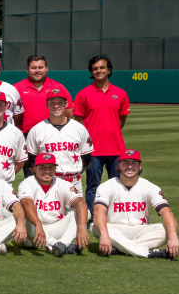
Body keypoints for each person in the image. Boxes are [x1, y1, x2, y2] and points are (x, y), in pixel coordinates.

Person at [93, 149, 179, 259]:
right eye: (125, 163)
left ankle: (121, 249)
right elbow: (98, 211)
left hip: (141, 231)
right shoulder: (106, 186)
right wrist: (105, 235)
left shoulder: (149, 187)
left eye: (134, 163)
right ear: (118, 166)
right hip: (115, 230)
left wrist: (173, 237)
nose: (129, 167)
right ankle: (147, 253)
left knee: (168, 229)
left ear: (140, 167)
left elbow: (166, 211)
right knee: (95, 227)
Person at [74, 54, 130, 215]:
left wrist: (110, 132)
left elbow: (121, 120)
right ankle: (92, 216)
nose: (99, 71)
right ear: (91, 71)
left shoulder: (120, 93)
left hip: (116, 149)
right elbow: (79, 123)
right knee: (93, 186)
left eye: (102, 67)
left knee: (118, 184)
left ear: (109, 70)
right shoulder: (83, 94)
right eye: (95, 68)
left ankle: (115, 214)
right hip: (93, 151)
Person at [17, 153, 90, 257]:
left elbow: (80, 203)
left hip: (56, 227)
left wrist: (82, 228)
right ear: (34, 169)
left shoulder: (62, 184)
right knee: (21, 214)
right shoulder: (27, 183)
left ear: (55, 169)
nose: (47, 171)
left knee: (85, 212)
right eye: (42, 167)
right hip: (33, 230)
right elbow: (27, 203)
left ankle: (62, 244)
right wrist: (38, 225)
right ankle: (58, 245)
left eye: (50, 167)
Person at [25, 88, 92, 194]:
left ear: (66, 104)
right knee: (47, 211)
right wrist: (44, 176)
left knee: (74, 211)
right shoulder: (37, 130)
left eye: (60, 102)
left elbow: (87, 158)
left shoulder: (79, 128)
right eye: (52, 103)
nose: (56, 106)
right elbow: (30, 160)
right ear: (47, 104)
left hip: (73, 183)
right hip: (47, 182)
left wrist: (74, 171)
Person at [15, 55, 73, 139]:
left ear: (47, 68)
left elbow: (69, 113)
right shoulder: (17, 88)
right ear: (27, 70)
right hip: (25, 136)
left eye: (40, 67)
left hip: (53, 135)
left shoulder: (58, 87)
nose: (37, 71)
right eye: (34, 68)